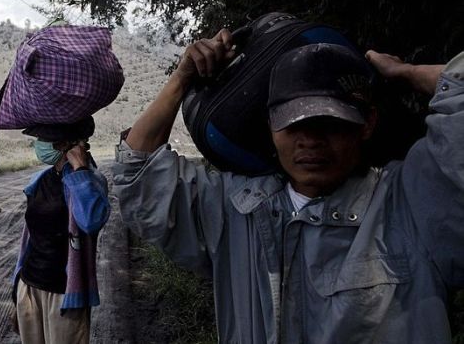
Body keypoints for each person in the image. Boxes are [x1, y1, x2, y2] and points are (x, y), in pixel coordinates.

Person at [112, 29, 464, 343]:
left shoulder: (412, 203)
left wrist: (407, 73)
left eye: (329, 122)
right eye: (292, 123)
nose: (310, 141)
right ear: (270, 126)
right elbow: (138, 175)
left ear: (366, 123)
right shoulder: (234, 210)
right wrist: (181, 78)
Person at [12, 115, 110, 344]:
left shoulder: (89, 180)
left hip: (64, 295)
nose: (39, 143)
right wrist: (15, 292)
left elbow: (92, 221)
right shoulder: (39, 181)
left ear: (64, 144)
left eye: (43, 138)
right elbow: (29, 240)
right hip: (29, 287)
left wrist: (80, 168)